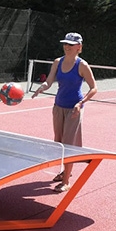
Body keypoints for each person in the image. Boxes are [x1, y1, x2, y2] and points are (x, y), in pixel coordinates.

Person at [32, 32, 98, 193]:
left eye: (70, 44)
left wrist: (80, 103)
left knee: (68, 145)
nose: (67, 47)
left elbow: (94, 88)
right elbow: (49, 81)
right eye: (65, 44)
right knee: (58, 142)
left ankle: (66, 181)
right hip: (58, 106)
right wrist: (42, 87)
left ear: (79, 47)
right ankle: (64, 173)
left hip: (74, 109)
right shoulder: (57, 62)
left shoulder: (82, 65)